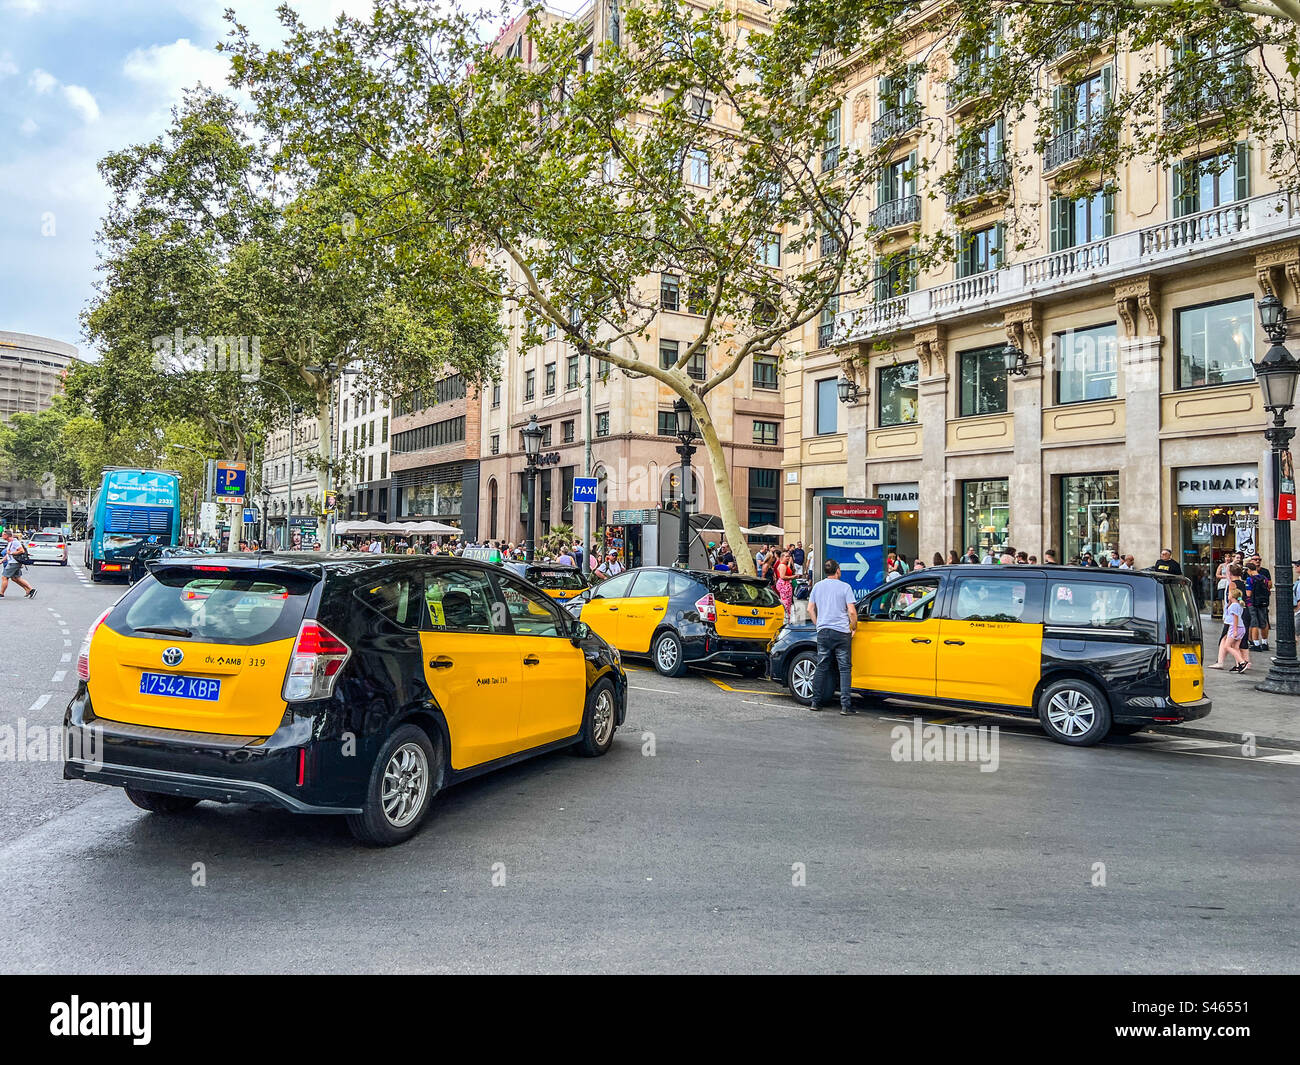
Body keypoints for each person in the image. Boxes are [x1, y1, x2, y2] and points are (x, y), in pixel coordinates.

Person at [807, 559, 859, 716]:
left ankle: (815, 702)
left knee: (821, 666)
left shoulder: (817, 586)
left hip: (823, 631)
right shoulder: (845, 587)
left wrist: (818, 625)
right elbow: (851, 611)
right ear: (837, 571)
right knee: (844, 668)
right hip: (841, 632)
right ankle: (845, 705)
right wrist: (853, 626)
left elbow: (810, 609)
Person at [1210, 587, 1250, 672]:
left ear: (1233, 596)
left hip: (1235, 628)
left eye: (1229, 594)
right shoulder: (1239, 605)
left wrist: (1234, 630)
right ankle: (1238, 664)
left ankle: (1242, 662)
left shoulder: (1234, 606)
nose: (1228, 595)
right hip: (1241, 628)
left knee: (1227, 646)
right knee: (1235, 647)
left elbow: (1235, 618)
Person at [0, 531, 35, 599]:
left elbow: (21, 551)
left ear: (7, 535)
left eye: (3, 535)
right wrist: (2, 560)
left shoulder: (15, 542)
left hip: (14, 562)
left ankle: (1, 594)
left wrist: (12, 553)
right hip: (12, 562)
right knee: (15, 578)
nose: (2, 536)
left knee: (4, 577)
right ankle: (31, 590)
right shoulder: (10, 542)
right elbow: (8, 553)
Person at [775, 551, 796, 616]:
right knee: (786, 602)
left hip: (785, 584)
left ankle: (786, 617)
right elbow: (782, 576)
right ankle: (785, 618)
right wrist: (793, 577)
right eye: (786, 556)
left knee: (787, 602)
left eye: (789, 556)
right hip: (784, 585)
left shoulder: (784, 565)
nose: (788, 558)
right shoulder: (782, 565)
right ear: (782, 557)